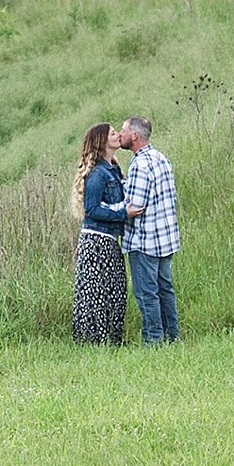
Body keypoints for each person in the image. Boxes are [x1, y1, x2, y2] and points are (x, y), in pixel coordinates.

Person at [119, 115, 179, 343]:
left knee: (146, 293)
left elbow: (135, 205)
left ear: (134, 135)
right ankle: (172, 335)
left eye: (123, 130)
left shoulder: (140, 165)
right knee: (165, 290)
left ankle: (153, 340)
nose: (120, 134)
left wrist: (108, 209)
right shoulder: (161, 159)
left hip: (145, 241)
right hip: (166, 238)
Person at [71, 122, 130, 346]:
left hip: (109, 240)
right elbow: (93, 209)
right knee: (96, 291)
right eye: (113, 133)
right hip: (96, 240)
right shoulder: (97, 174)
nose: (117, 135)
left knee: (115, 289)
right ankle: (94, 341)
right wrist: (124, 212)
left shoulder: (113, 169)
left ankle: (112, 339)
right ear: (102, 141)